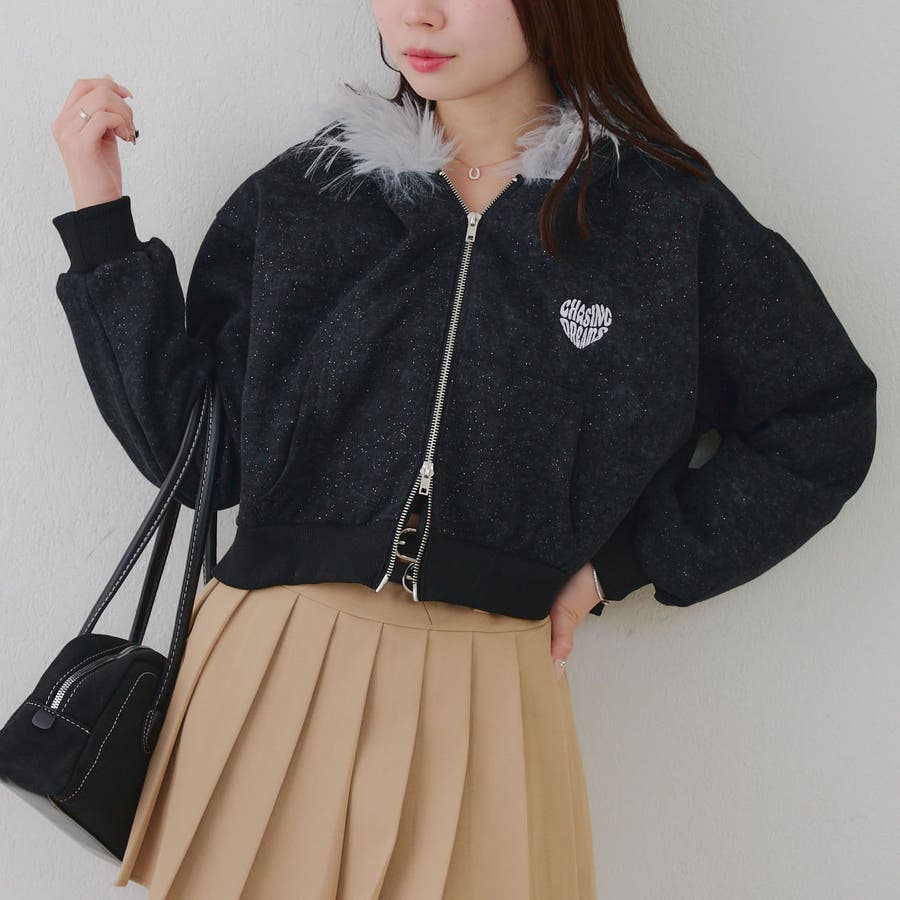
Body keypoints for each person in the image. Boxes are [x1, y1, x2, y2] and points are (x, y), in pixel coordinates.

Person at [48, 1, 877, 897]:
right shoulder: (308, 194)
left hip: (493, 682)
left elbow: (822, 416)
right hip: (268, 659)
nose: (419, 13)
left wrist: (622, 565)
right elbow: (196, 454)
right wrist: (100, 214)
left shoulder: (661, 221)